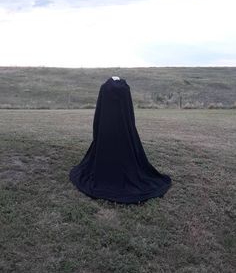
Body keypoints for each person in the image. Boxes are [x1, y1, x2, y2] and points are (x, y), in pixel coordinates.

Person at [69, 76, 172, 204]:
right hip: (125, 132)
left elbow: (99, 114)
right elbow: (129, 115)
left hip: (106, 132)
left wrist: (97, 132)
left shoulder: (105, 88)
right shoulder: (125, 89)